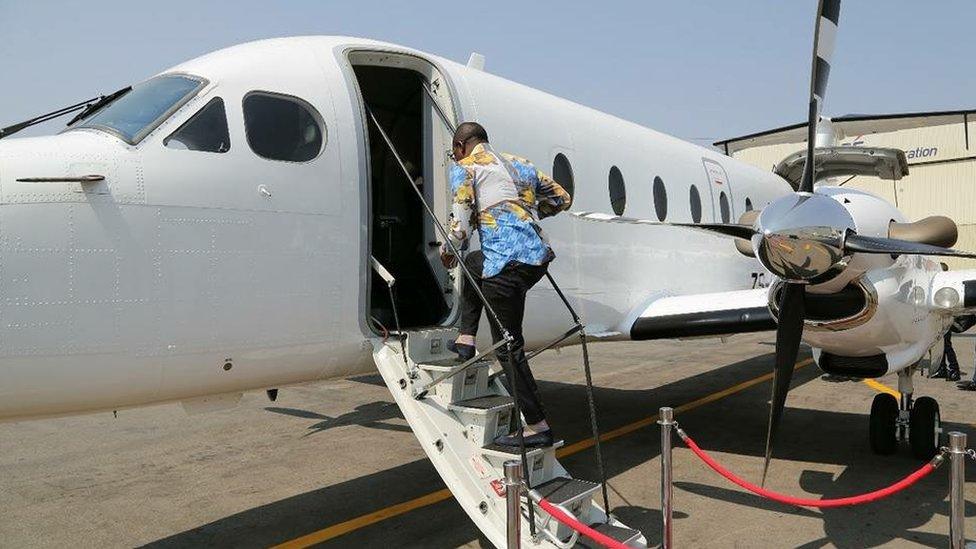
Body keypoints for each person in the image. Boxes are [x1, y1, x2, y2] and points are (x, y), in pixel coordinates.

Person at [440, 121, 571, 447]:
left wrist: (447, 252)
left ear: (459, 147)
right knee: (474, 264)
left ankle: (538, 427)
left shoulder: (466, 168)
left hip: (507, 266)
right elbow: (562, 198)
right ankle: (466, 339)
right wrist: (527, 212)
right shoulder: (520, 163)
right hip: (536, 259)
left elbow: (460, 222)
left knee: (507, 347)